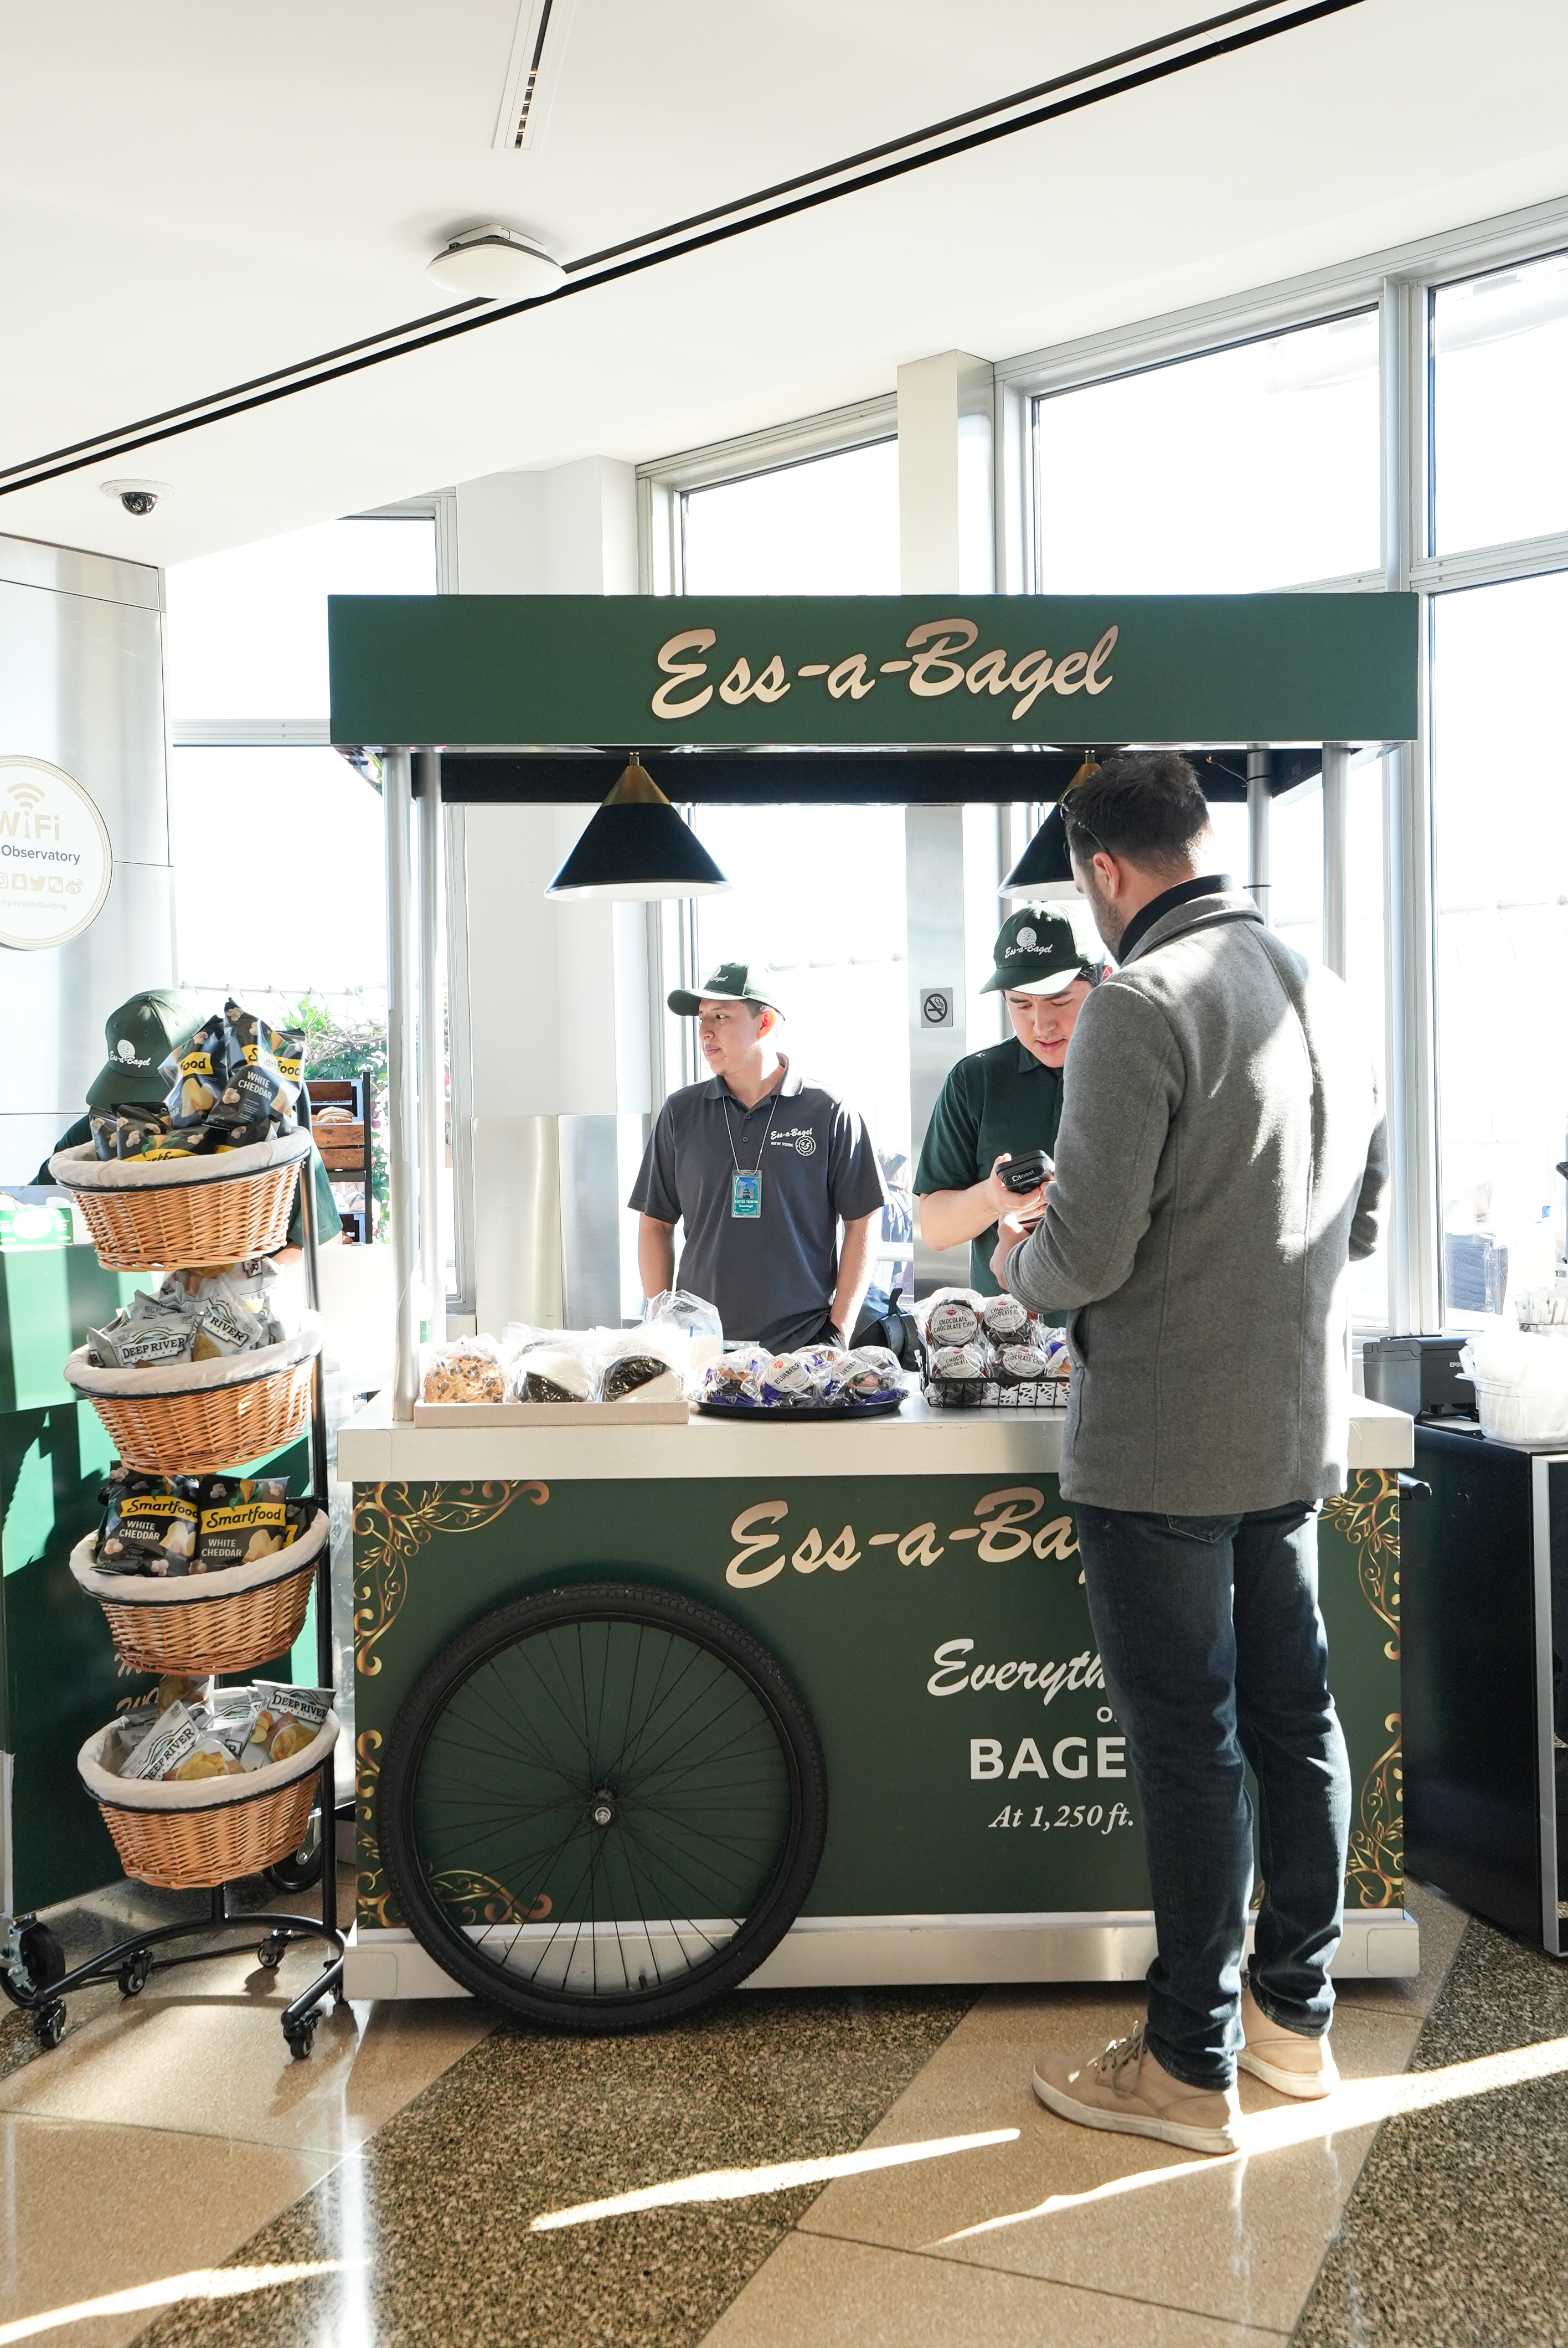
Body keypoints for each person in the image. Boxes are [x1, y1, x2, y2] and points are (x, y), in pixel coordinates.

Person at [989, 752, 1387, 2159]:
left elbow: (1078, 1256)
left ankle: (1184, 2063)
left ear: (1103, 868)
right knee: (1296, 1717)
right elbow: (1364, 1216)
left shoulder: (1137, 1003)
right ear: (1199, 835)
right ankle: (1292, 2026)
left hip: (1157, 1441)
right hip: (1290, 1423)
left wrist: (1013, 1254)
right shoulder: (1327, 988)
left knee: (1187, 1743)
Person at [629, 960, 885, 1351]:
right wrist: (661, 1323)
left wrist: (838, 1331)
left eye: (720, 1016)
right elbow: (655, 1224)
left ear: (764, 1023)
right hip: (701, 1349)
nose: (705, 1032)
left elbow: (863, 1222)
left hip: (801, 1348)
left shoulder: (829, 1111)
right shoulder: (680, 1113)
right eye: (701, 1019)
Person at [35, 987, 343, 1257]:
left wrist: (246, 1285)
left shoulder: (266, 1137)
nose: (135, 1115)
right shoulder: (94, 1138)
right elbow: (34, 1211)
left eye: (158, 1096)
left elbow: (323, 1240)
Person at [915, 908, 1103, 1295]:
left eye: (1060, 1000)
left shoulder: (1144, 1072)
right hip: (1007, 1340)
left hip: (1118, 1340)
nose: (1041, 1024)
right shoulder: (976, 1080)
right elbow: (933, 1229)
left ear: (1106, 983)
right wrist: (992, 1199)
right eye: (1021, 1004)